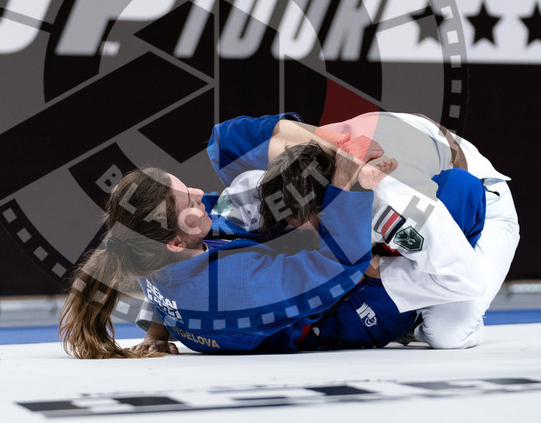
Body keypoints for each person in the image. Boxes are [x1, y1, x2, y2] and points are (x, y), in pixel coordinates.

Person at [59, 113, 487, 358]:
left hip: (277, 275)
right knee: (460, 194)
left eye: (181, 185)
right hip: (338, 313)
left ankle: (323, 143)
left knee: (225, 143)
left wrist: (156, 335)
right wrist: (349, 184)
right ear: (175, 243)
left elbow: (163, 289)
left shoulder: (150, 255)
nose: (196, 191)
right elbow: (340, 265)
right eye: (187, 202)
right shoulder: (236, 286)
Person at [210, 111, 519, 349]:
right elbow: (221, 140)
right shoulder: (266, 177)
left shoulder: (395, 206)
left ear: (338, 198)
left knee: (447, 333)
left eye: (313, 223)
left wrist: (380, 268)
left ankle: (415, 318)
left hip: (479, 200)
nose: (305, 233)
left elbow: (466, 280)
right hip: (399, 149)